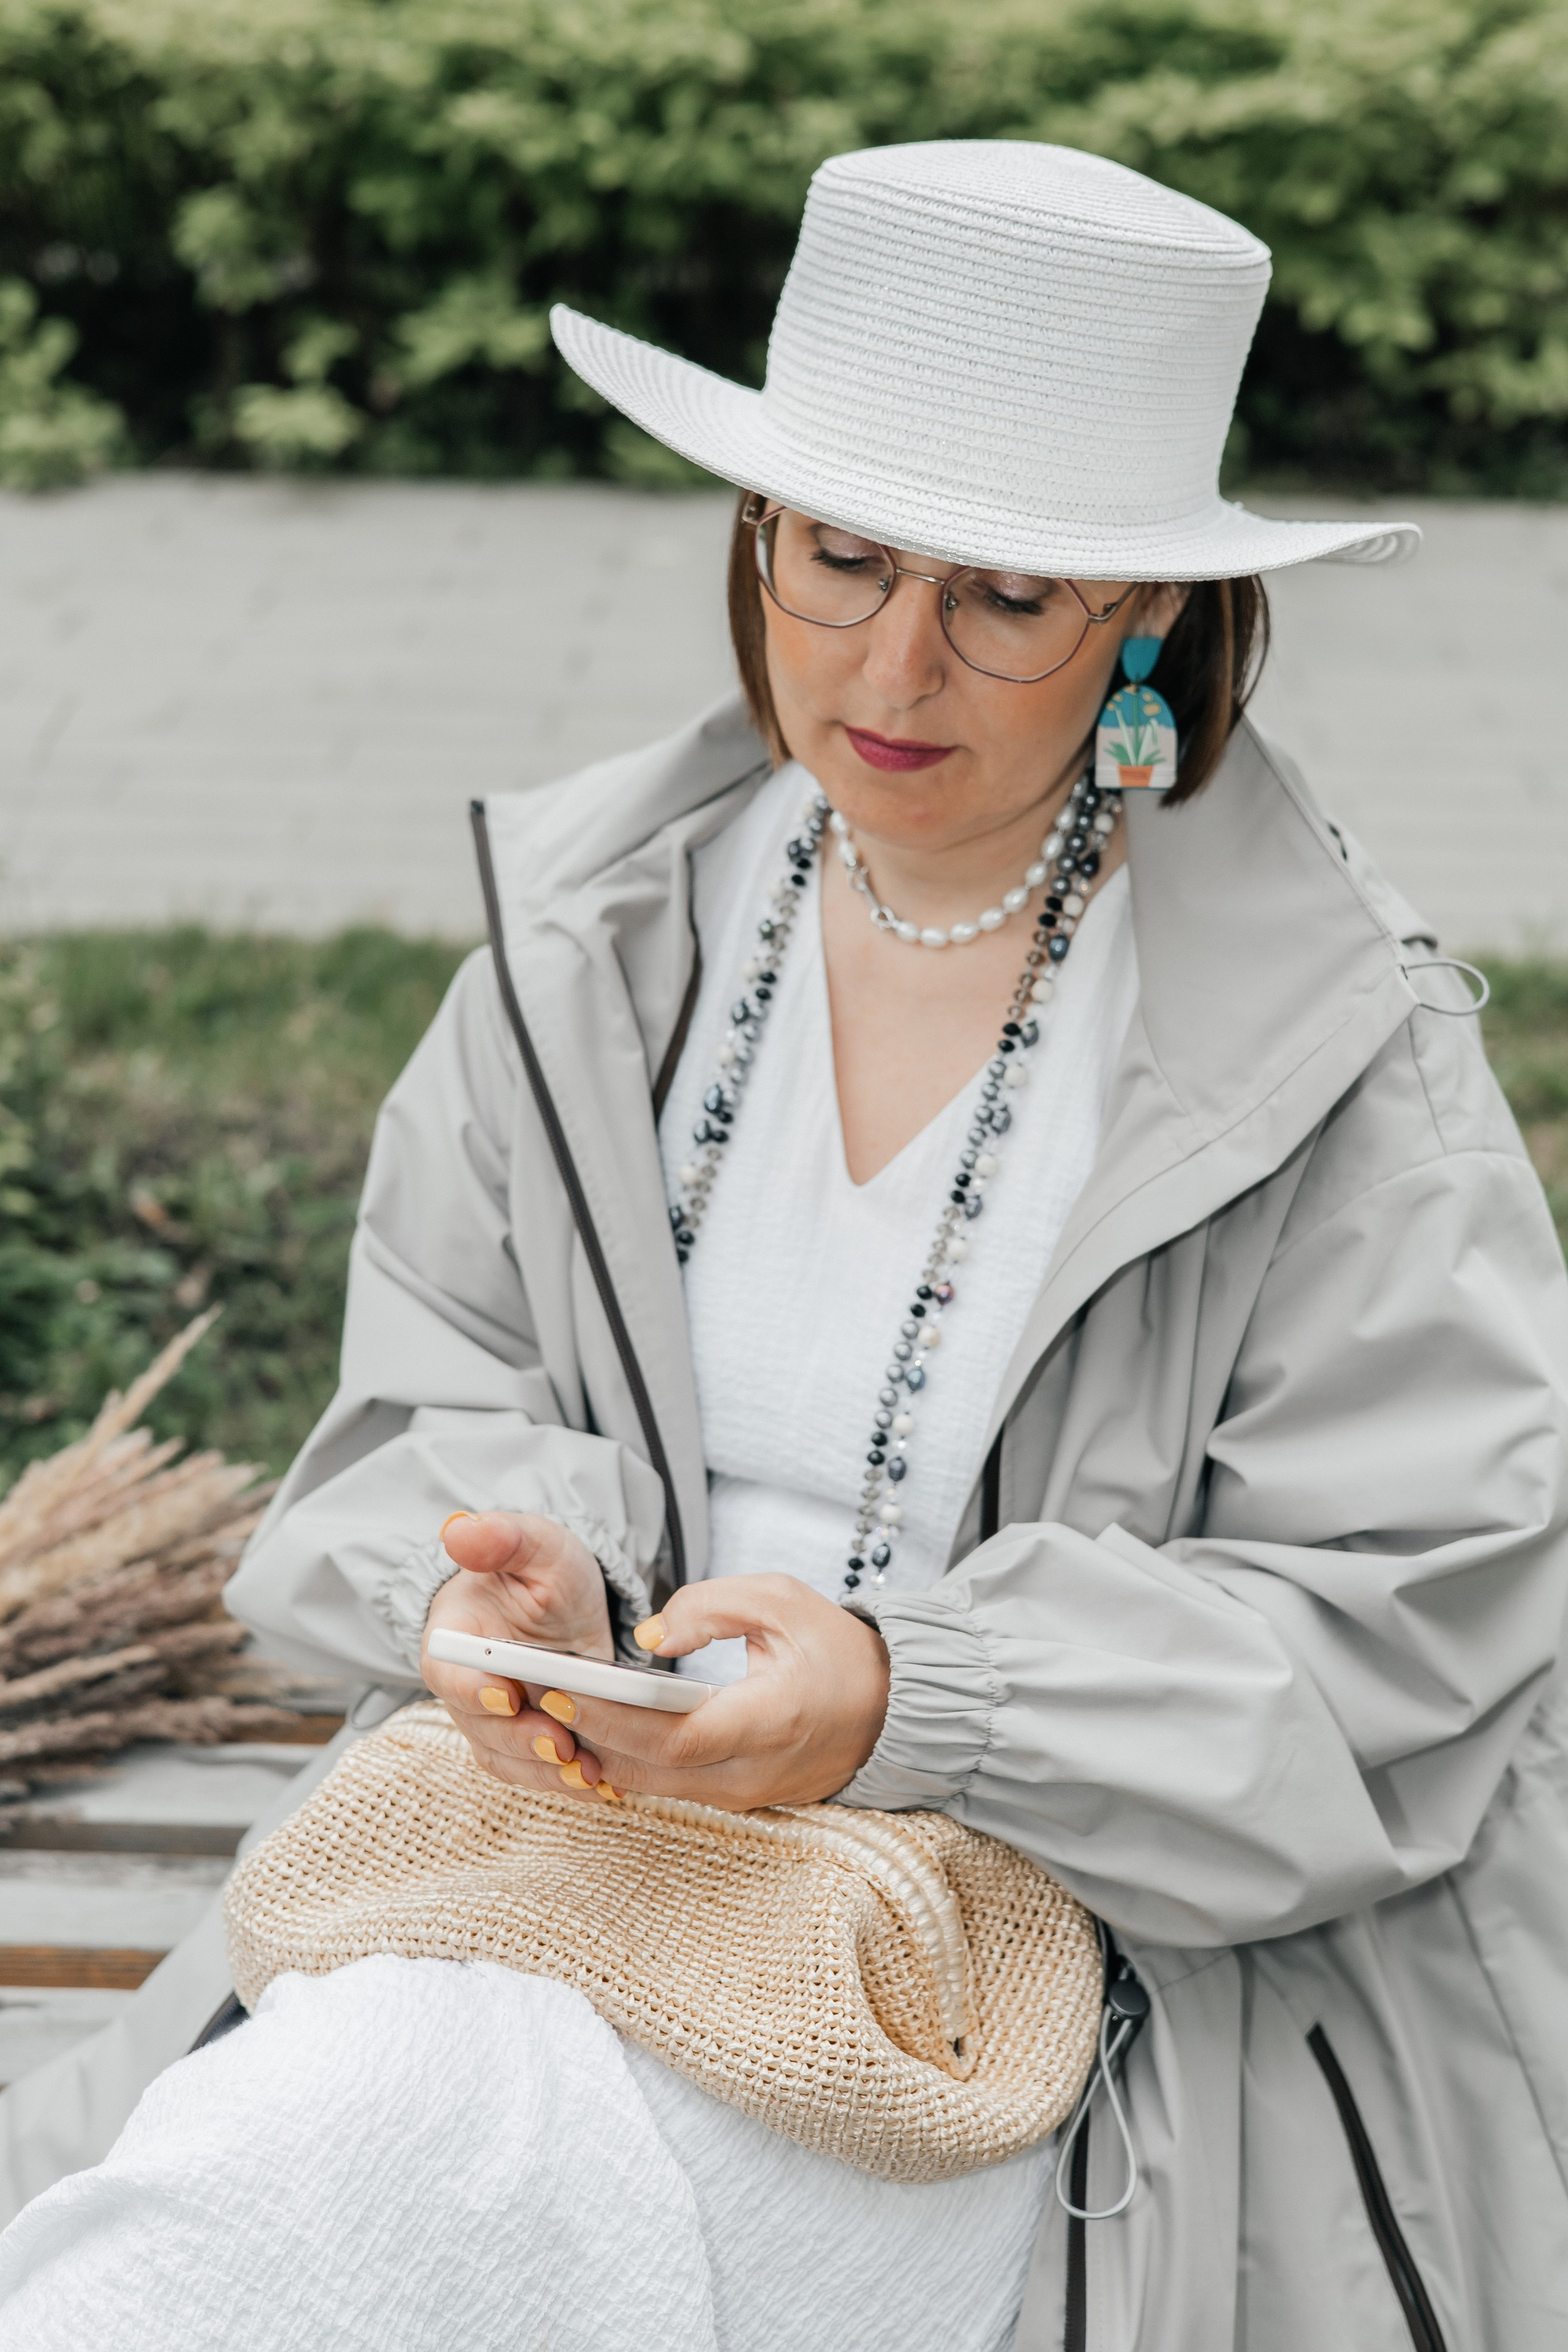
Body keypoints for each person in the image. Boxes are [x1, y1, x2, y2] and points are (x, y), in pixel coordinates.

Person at [2, 138, 1566, 2352]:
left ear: (1151, 613)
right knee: (370, 2161)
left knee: (361, 2190)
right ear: (756, 529)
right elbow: (419, 1398)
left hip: (1032, 1989)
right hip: (547, 1880)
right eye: (837, 558)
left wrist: (912, 1702)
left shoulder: (1336, 1063)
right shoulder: (590, 957)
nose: (891, 664)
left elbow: (1410, 1645)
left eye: (1007, 598)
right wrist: (511, 1579)